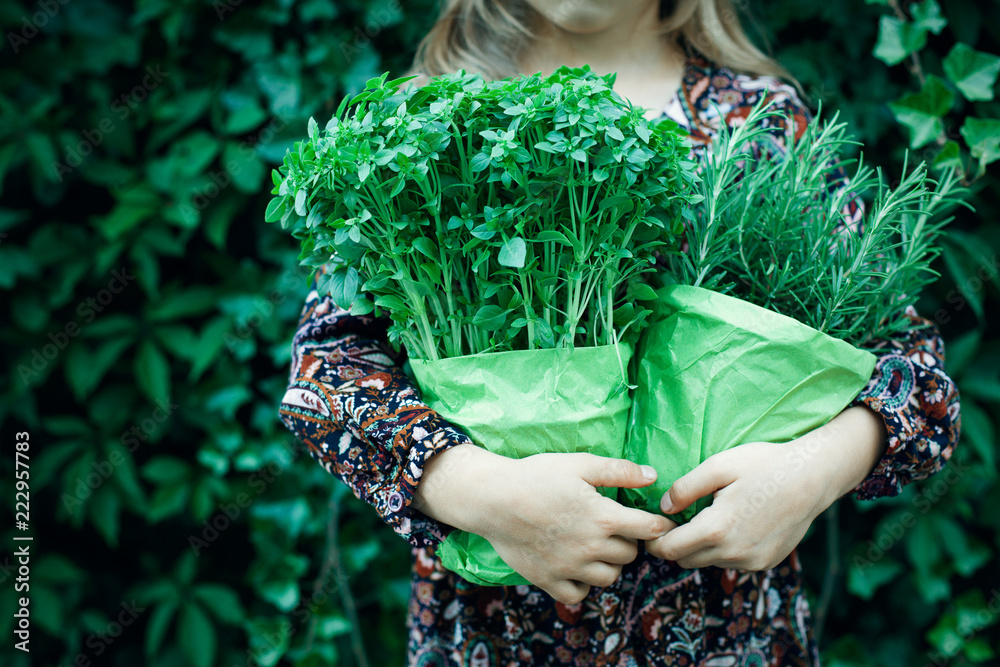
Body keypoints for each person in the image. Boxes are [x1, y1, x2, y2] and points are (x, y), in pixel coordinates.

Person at [278, 0, 960, 664]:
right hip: (496, 633)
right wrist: (480, 490)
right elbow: (327, 373)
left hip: (728, 627)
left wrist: (808, 476)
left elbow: (915, 376)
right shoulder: (425, 125)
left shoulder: (759, 124)